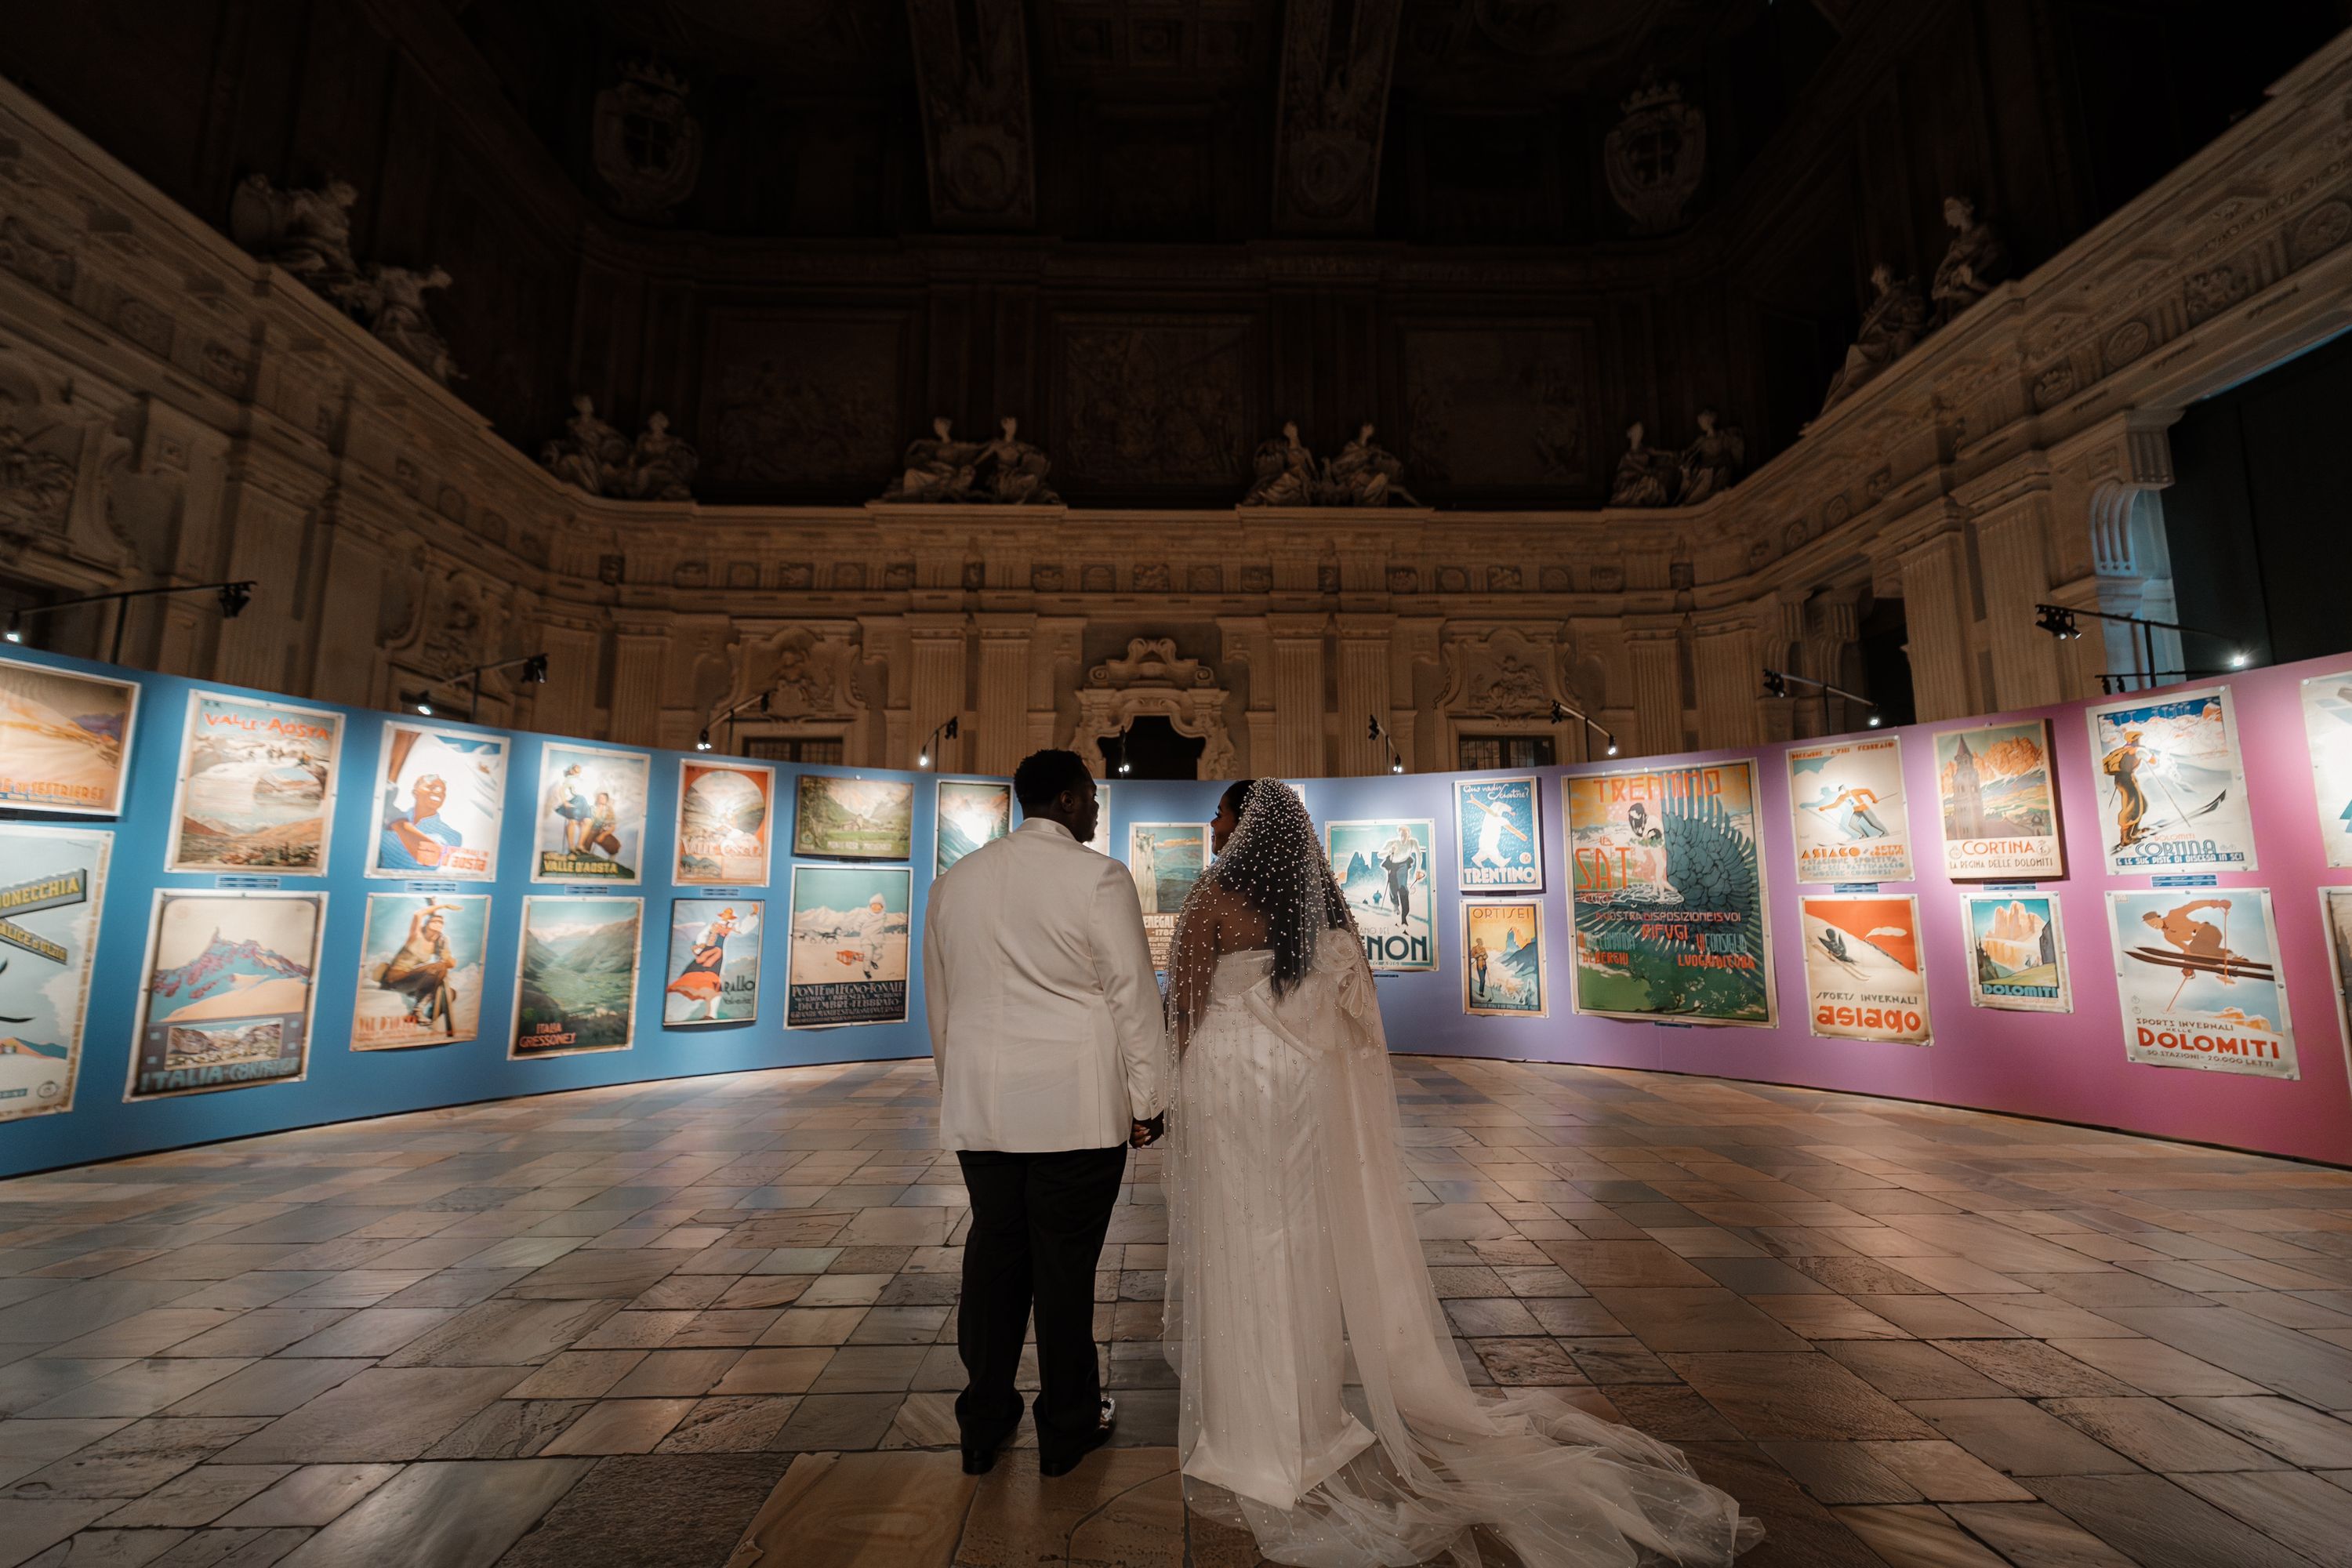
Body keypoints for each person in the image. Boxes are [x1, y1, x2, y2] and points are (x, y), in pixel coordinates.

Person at [1162, 779, 1759, 1566]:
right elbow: (1356, 1022)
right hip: (1302, 1094)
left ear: (1245, 827)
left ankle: (1248, 1431)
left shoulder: (1210, 900)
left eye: (1221, 814)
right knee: (1299, 1242)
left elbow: (1189, 1009)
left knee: (1240, 1244)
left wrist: (1171, 1092)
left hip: (1230, 1085)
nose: (1213, 826)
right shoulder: (1326, 909)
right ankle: (1308, 1421)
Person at [924, 748, 1170, 1481]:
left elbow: (944, 1004)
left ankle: (984, 1421)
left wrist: (956, 1084)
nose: (1097, 809)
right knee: (1064, 1271)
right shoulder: (1097, 877)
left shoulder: (953, 883)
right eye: (1092, 797)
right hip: (1074, 1108)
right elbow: (1132, 994)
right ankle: (1067, 1425)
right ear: (1065, 800)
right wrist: (1149, 1099)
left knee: (995, 1263)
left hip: (984, 1108)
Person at [378, 902, 460, 1033]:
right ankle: (417, 1010)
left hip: (412, 982)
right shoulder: (416, 935)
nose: (438, 924)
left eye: (441, 923)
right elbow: (418, 914)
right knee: (439, 967)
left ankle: (426, 1019)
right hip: (395, 979)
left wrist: (446, 947)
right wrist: (443, 906)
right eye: (434, 921)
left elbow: (451, 964)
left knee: (450, 993)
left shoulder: (435, 945)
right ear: (427, 924)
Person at [666, 907, 736, 1022]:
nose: (725, 917)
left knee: (712, 980)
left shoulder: (729, 927)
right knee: (694, 974)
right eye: (724, 915)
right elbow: (702, 936)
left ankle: (711, 1014)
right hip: (706, 950)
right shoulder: (713, 925)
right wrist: (700, 948)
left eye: (728, 916)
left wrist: (753, 915)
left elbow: (742, 929)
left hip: (716, 954)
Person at [379, 772, 459, 872]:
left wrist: (397, 821)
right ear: (415, 793)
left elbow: (431, 857)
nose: (439, 792)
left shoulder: (452, 835)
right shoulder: (382, 818)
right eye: (432, 787)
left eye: (443, 791)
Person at [2102, 728, 2150, 845]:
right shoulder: (2135, 750)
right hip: (2126, 780)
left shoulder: (2123, 750)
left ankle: (2133, 831)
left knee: (2142, 805)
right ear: (2135, 740)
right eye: (2138, 739)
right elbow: (2153, 761)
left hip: (2123, 779)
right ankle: (2126, 838)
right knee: (2131, 808)